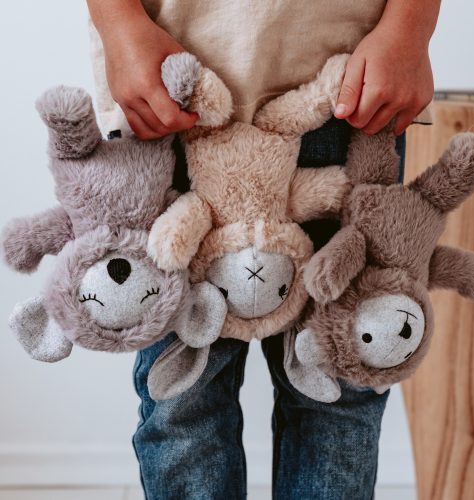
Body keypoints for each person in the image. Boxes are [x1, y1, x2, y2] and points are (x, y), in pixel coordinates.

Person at [87, 1, 440, 498]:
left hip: (350, 80)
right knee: (181, 397)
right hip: (170, 81)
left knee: (340, 383)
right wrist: (119, 22)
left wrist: (409, 28)